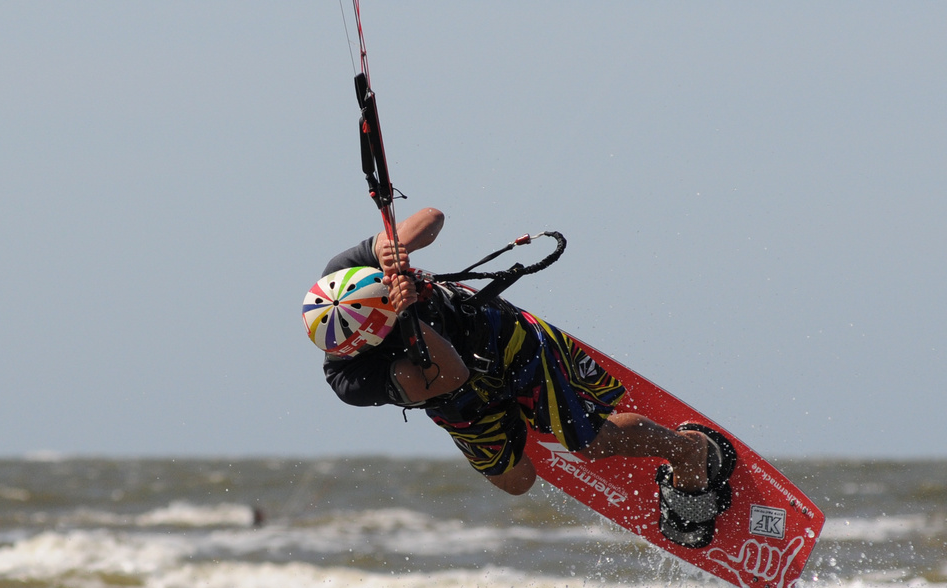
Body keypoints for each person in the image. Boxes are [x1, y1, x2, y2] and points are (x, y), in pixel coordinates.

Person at [304, 207, 735, 545]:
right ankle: (522, 419)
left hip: (505, 344)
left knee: (590, 443)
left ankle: (688, 450)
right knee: (517, 481)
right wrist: (406, 314)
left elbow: (432, 218)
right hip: (455, 393)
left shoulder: (342, 272)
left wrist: (393, 250)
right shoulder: (352, 381)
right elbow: (449, 375)